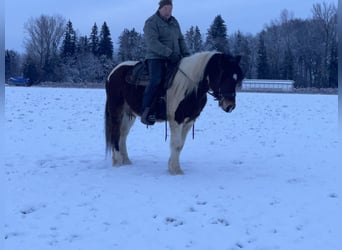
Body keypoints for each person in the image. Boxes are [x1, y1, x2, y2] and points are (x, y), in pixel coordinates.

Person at [141, 0, 190, 125]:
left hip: (174, 57)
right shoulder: (151, 22)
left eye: (170, 8)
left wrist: (187, 55)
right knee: (156, 80)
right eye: (166, 8)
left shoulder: (174, 22)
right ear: (160, 8)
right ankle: (146, 111)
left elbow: (180, 39)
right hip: (156, 57)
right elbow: (153, 42)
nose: (168, 11)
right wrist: (169, 53)